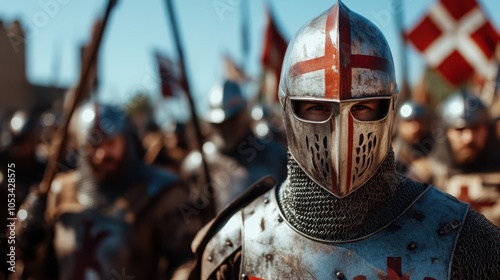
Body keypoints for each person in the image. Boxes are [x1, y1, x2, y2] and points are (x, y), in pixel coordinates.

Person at [188, 3, 500, 279]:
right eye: (316, 108)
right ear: (288, 108)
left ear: (388, 108)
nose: (340, 133)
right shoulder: (239, 242)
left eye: (362, 108)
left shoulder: (460, 238)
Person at [14, 102, 203, 280]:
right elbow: (37, 267)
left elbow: (186, 260)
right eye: (94, 145)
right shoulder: (60, 191)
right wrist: (28, 241)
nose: (101, 154)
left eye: (111, 143)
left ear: (126, 140)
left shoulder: (161, 192)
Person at [181, 80, 287, 213]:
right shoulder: (196, 164)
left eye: (231, 120)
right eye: (220, 123)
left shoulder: (275, 154)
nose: (225, 128)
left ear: (244, 114)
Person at [408, 91, 500, 226]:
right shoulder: (421, 177)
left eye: (475, 128)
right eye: (459, 129)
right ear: (446, 132)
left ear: (488, 130)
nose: (468, 138)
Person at [392, 101, 434, 174]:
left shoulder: (433, 145)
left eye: (419, 121)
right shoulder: (391, 153)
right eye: (409, 121)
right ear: (400, 124)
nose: (416, 127)